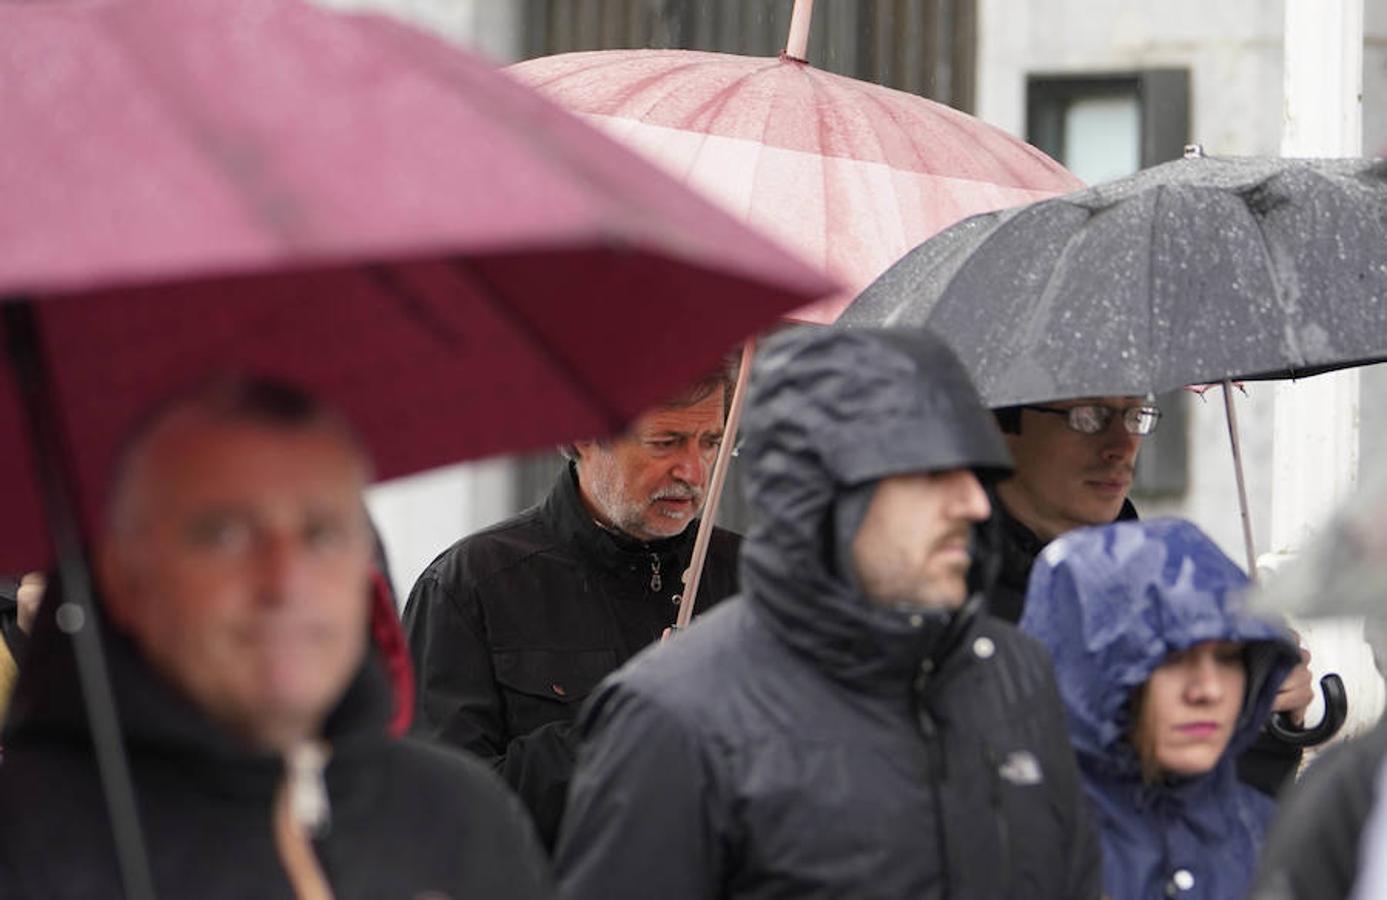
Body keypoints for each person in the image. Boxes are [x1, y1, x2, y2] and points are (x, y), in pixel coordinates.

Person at [553, 327, 1102, 900]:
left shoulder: (1017, 672)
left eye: (978, 473)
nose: (971, 503)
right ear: (825, 490)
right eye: (931, 475)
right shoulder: (674, 718)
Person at [0, 377, 552, 899]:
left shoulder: (461, 819)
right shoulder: (25, 847)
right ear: (122, 576)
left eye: (322, 533)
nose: (285, 581)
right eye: (225, 533)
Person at [403, 364, 741, 849]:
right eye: (665, 443)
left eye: (711, 442)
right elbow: (439, 811)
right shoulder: (470, 587)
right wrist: (625, 725)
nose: (693, 472)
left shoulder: (757, 581)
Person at [987, 395, 1313, 795]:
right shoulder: (941, 605)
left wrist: (1258, 725)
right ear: (999, 422)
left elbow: (1217, 828)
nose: (1123, 446)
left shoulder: (1171, 593)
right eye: (1090, 417)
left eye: (1134, 414)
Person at [1020, 518, 1299, 900]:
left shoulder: (1276, 840)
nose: (1209, 690)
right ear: (1092, 674)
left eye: (1229, 658)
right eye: (1172, 660)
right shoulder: (1013, 846)